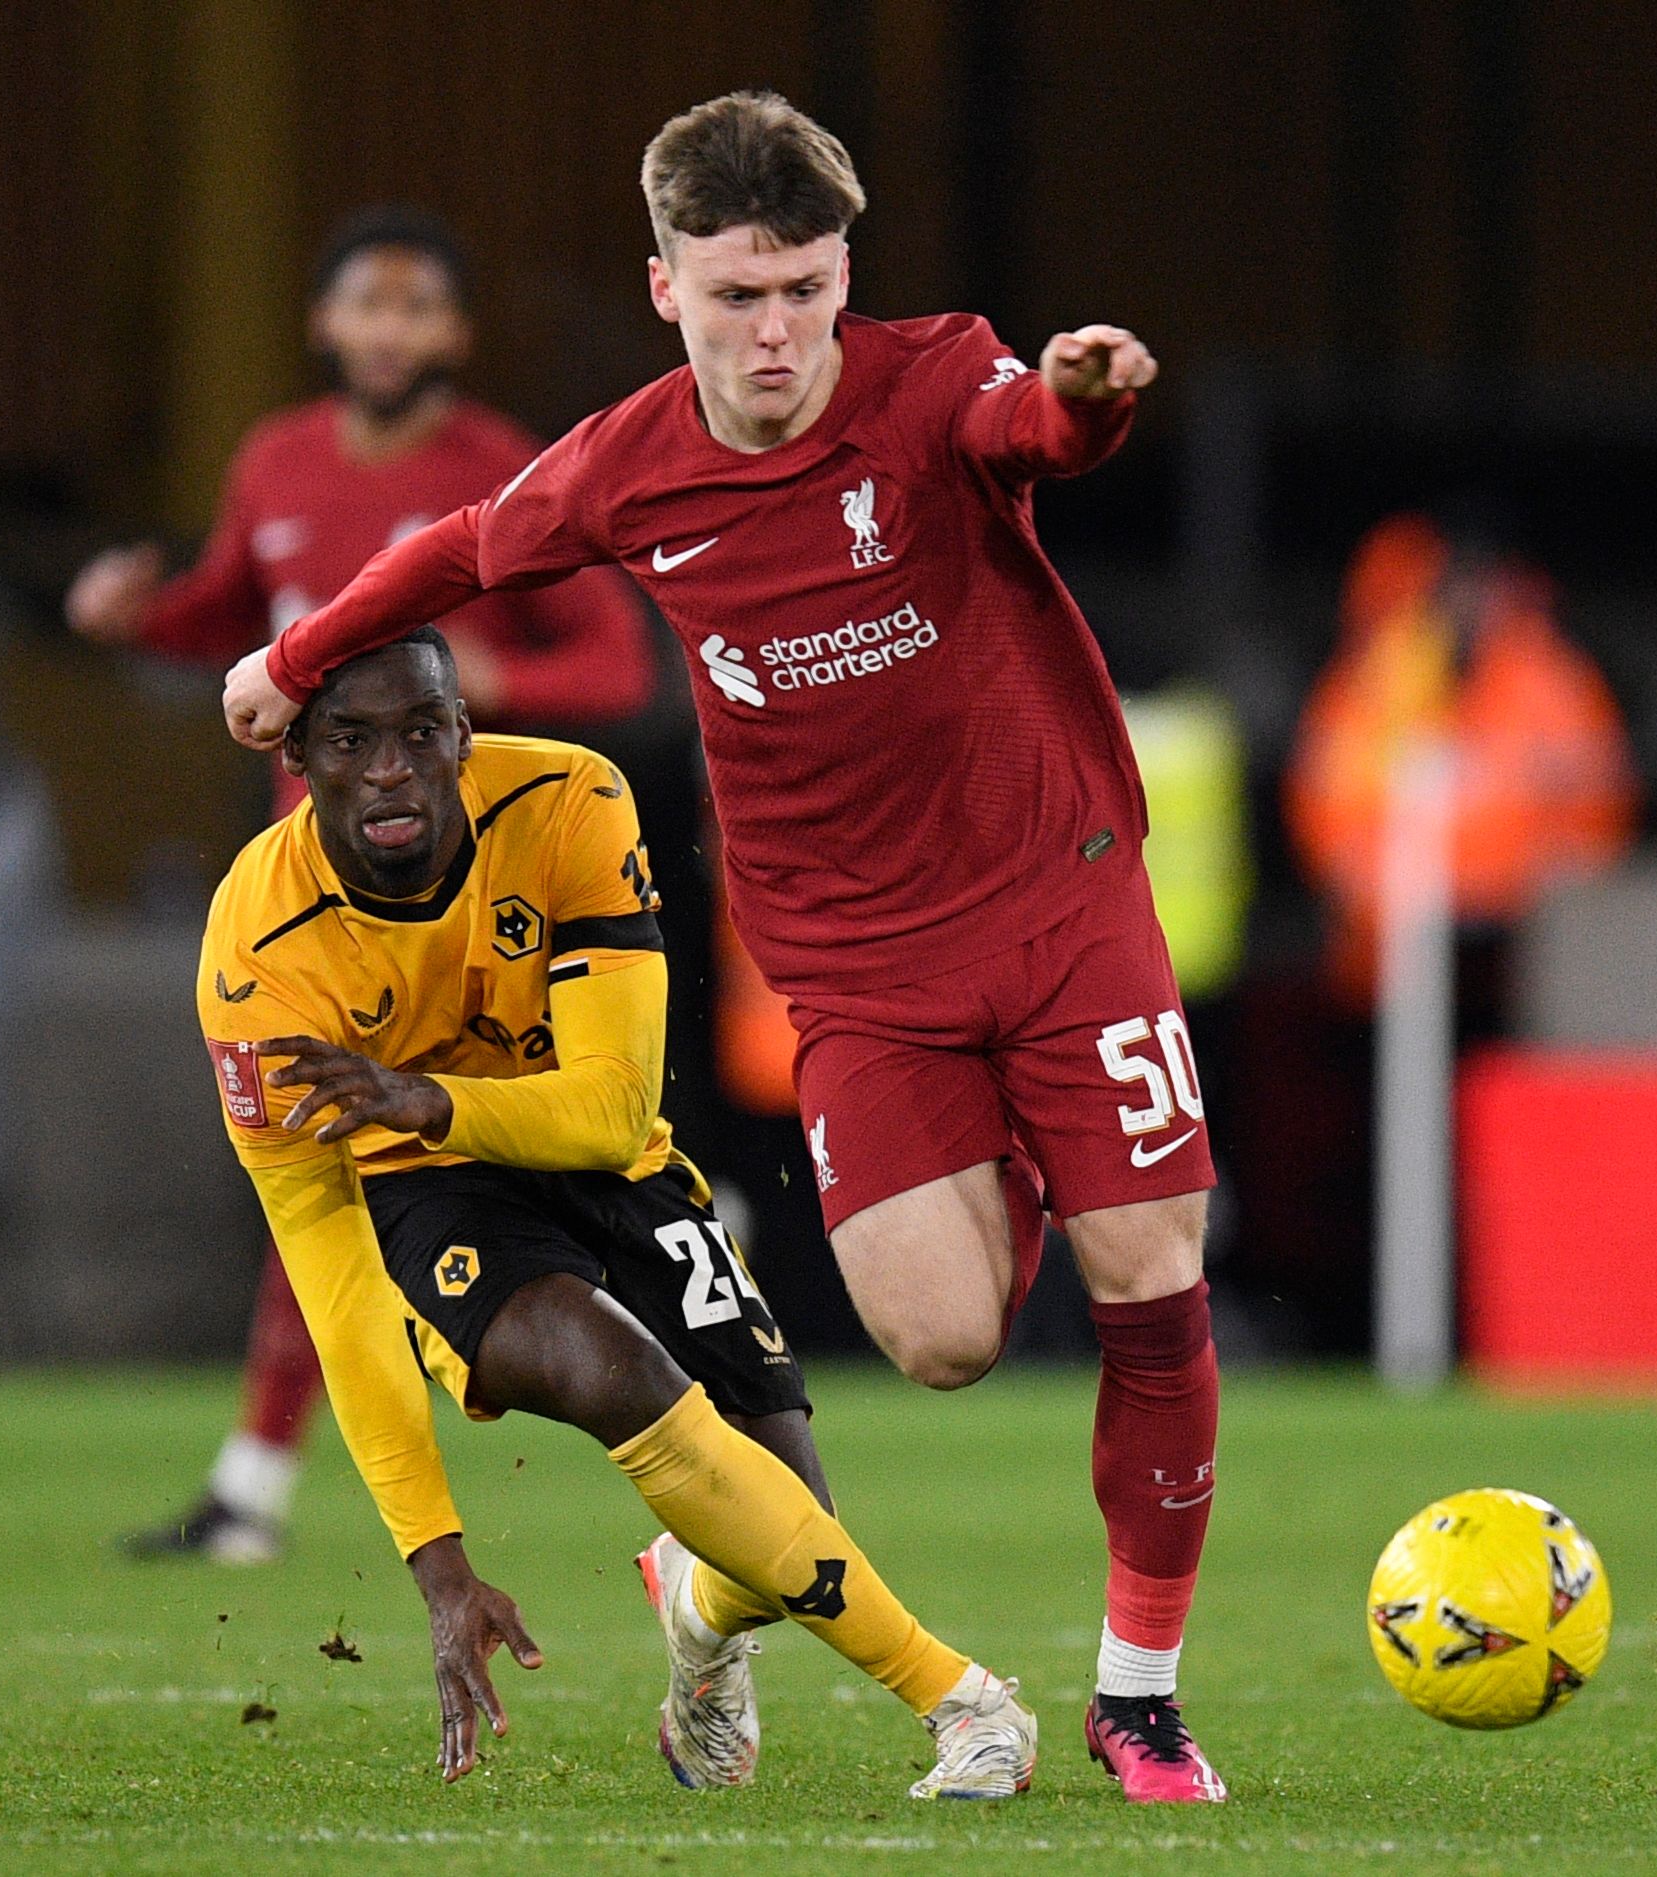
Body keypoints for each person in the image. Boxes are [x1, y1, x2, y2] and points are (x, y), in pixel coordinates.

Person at [223, 92, 1228, 1802]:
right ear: (665, 287)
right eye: (739, 293)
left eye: (808, 290)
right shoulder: (630, 464)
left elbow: (1029, 435)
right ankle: (701, 1580)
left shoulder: (935, 382)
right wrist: (291, 657)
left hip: (1063, 898)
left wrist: (1083, 399)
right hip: (851, 961)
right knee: (944, 1341)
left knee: (1149, 1274)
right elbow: (463, 551)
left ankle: (1139, 1694)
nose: (777, 332)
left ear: (849, 279)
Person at [201, 626, 1035, 1796]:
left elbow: (606, 1111)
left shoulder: (568, 797)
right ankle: (964, 1701)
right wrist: (439, 1563)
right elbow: (331, 1270)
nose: (388, 767)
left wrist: (424, 1093)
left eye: (418, 733)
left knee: (786, 1518)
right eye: (350, 739)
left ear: (462, 740)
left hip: (604, 1157)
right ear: (297, 755)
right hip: (428, 1189)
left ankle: (697, 1611)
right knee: (609, 1370)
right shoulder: (255, 956)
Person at [81, 208, 653, 1562]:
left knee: (440, 1162)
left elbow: (620, 668)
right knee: (318, 1175)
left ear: (454, 333)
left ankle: (671, 1280)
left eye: (417, 308)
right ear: (324, 323)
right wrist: (136, 622)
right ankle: (256, 1490)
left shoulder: (500, 472)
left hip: (465, 902)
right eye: (366, 304)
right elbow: (234, 620)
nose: (390, 329)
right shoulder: (274, 460)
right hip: (309, 907)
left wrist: (503, 683)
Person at [1286, 512, 1636, 1025]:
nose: (1470, 601)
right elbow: (1327, 812)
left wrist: (1541, 892)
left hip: (1518, 956)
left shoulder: (1548, 680)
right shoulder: (1378, 680)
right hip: (1389, 962)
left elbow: (1599, 802)